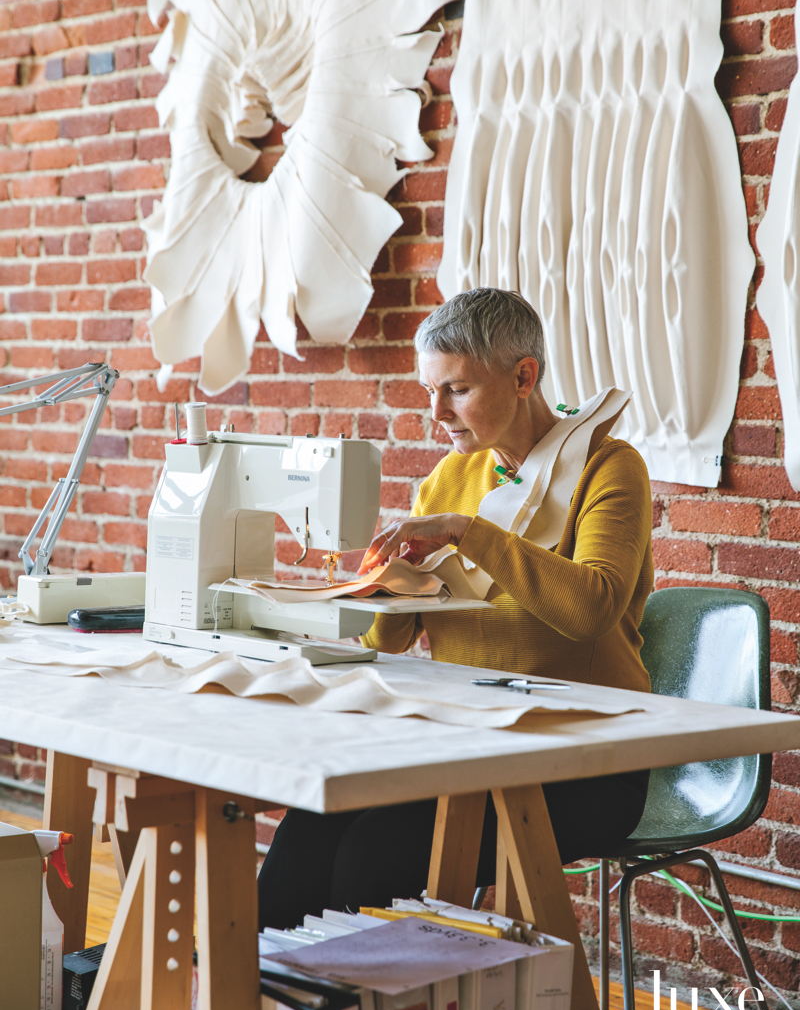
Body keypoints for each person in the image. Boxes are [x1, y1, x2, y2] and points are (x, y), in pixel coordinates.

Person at [258, 288, 654, 930]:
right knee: (313, 820)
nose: (436, 412)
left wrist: (470, 534)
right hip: (466, 742)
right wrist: (386, 585)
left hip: (589, 760)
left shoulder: (609, 468)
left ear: (523, 376)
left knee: (374, 852)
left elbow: (591, 609)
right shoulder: (450, 477)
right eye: (428, 391)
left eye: (457, 390)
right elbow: (389, 643)